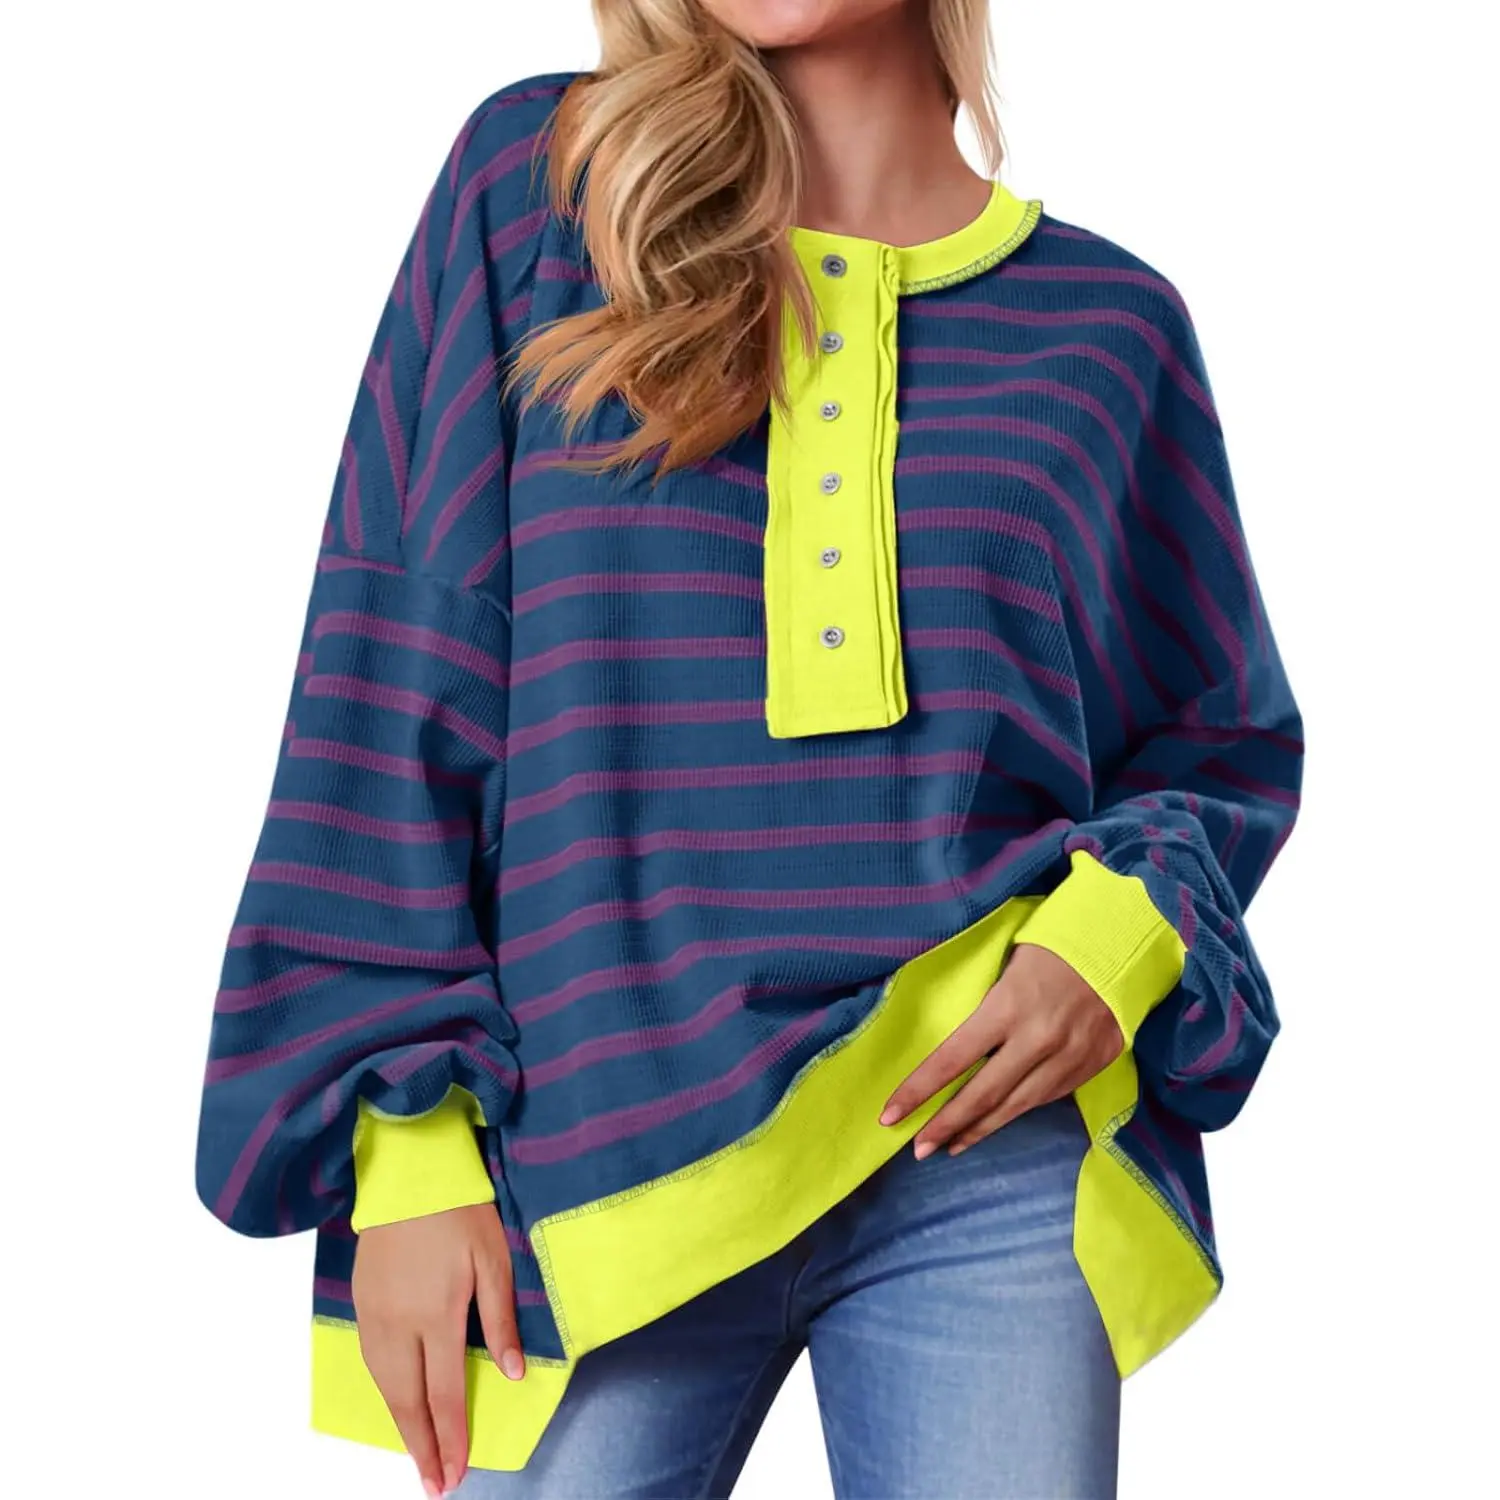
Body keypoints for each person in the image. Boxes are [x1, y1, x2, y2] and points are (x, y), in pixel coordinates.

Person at [194, 2, 1304, 1496]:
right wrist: (407, 1140)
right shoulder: (547, 196)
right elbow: (394, 664)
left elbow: (1217, 740)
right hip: (586, 1149)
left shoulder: (1110, 330)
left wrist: (1109, 940)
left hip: (989, 1141)